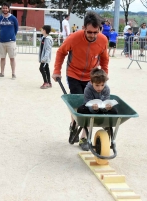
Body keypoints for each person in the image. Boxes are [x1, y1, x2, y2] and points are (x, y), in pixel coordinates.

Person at [52, 11, 109, 151]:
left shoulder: (103, 40)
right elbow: (61, 52)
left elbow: (104, 58)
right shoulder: (74, 38)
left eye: (96, 32)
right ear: (83, 28)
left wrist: (104, 75)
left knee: (90, 105)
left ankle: (84, 136)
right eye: (89, 32)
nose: (93, 35)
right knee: (79, 104)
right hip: (74, 74)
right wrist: (57, 71)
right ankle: (74, 124)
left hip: (92, 77)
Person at [0, 2, 18, 79]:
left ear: (8, 9)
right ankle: (2, 72)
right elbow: (0, 27)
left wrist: (12, 36)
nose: (5, 9)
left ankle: (13, 73)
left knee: (12, 58)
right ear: (2, 9)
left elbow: (16, 28)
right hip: (2, 41)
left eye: (6, 8)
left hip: (11, 41)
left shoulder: (13, 18)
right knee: (2, 58)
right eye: (3, 8)